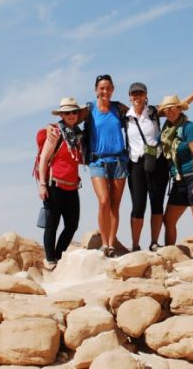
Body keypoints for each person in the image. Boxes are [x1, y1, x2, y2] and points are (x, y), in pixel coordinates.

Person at [125, 78, 193, 252]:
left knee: (162, 206)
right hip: (141, 165)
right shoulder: (125, 116)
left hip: (164, 166)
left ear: (146, 96)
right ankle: (138, 246)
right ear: (129, 96)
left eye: (140, 93)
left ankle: (156, 243)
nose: (137, 96)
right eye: (134, 93)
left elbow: (178, 106)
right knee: (145, 209)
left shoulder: (155, 113)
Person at [159, 94, 193, 255]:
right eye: (166, 109)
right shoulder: (167, 130)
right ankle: (169, 256)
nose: (170, 111)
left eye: (173, 108)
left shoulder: (189, 128)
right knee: (168, 220)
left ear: (179, 109)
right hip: (179, 180)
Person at [82, 74, 129, 258]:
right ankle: (103, 243)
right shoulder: (89, 109)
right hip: (97, 161)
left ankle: (111, 244)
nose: (105, 91)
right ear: (96, 90)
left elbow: (142, 114)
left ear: (113, 89)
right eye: (102, 88)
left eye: (108, 88)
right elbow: (69, 118)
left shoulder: (119, 108)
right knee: (104, 201)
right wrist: (50, 127)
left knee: (115, 205)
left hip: (118, 161)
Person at [36, 97, 85, 270]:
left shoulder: (78, 135)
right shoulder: (55, 133)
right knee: (52, 225)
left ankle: (58, 256)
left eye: (74, 112)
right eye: (67, 112)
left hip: (72, 187)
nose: (71, 115)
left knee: (72, 225)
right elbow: (44, 159)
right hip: (54, 185)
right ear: (61, 115)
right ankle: (51, 260)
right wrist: (42, 185)